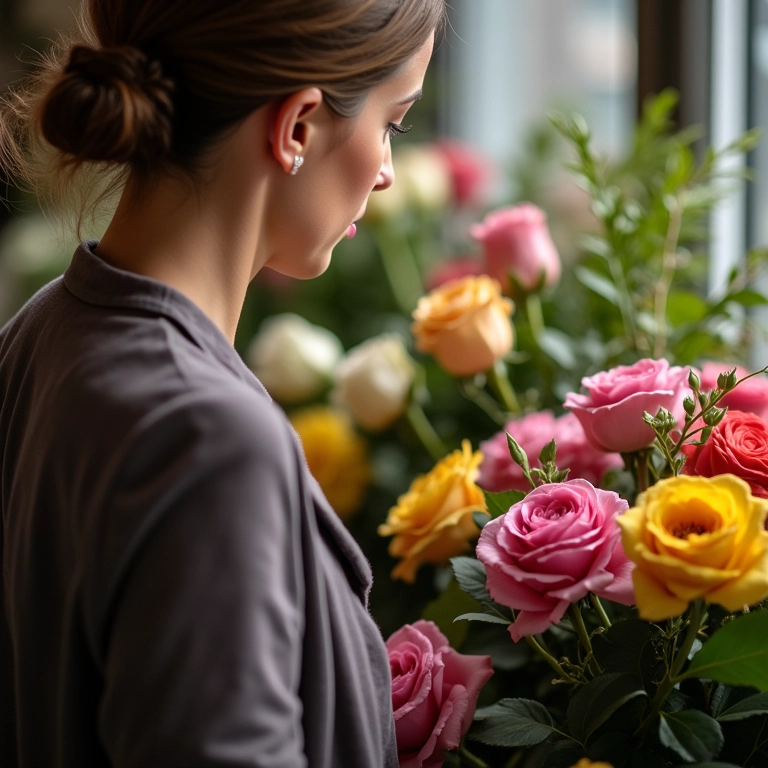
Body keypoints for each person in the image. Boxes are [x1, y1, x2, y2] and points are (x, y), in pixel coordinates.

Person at [0, 0, 445, 765]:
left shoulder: (40, 333)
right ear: (298, 126)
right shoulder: (208, 441)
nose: (385, 174)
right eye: (392, 124)